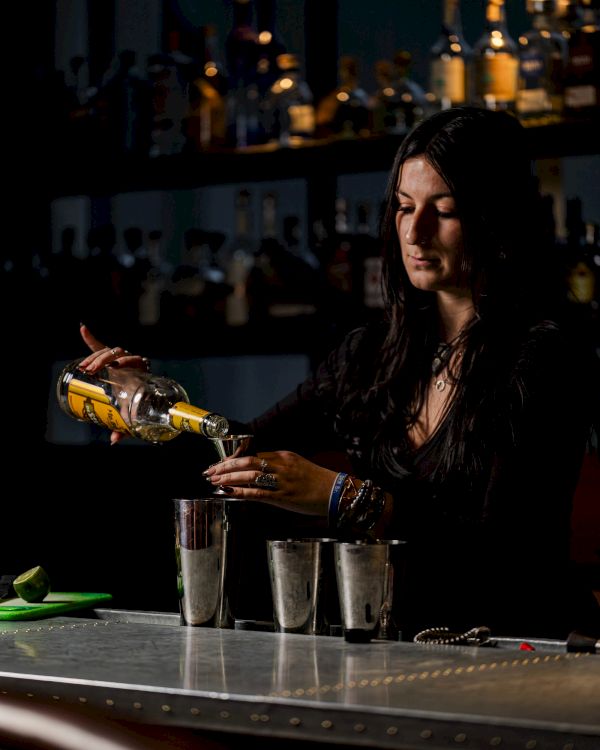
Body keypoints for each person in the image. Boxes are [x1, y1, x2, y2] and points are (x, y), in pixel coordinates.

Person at [77, 106, 599, 640]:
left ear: (496, 217)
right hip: (396, 643)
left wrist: (345, 498)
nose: (414, 232)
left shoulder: (546, 356)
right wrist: (150, 406)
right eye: (403, 207)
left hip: (520, 648)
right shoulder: (372, 355)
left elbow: (503, 552)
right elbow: (240, 449)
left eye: (444, 210)